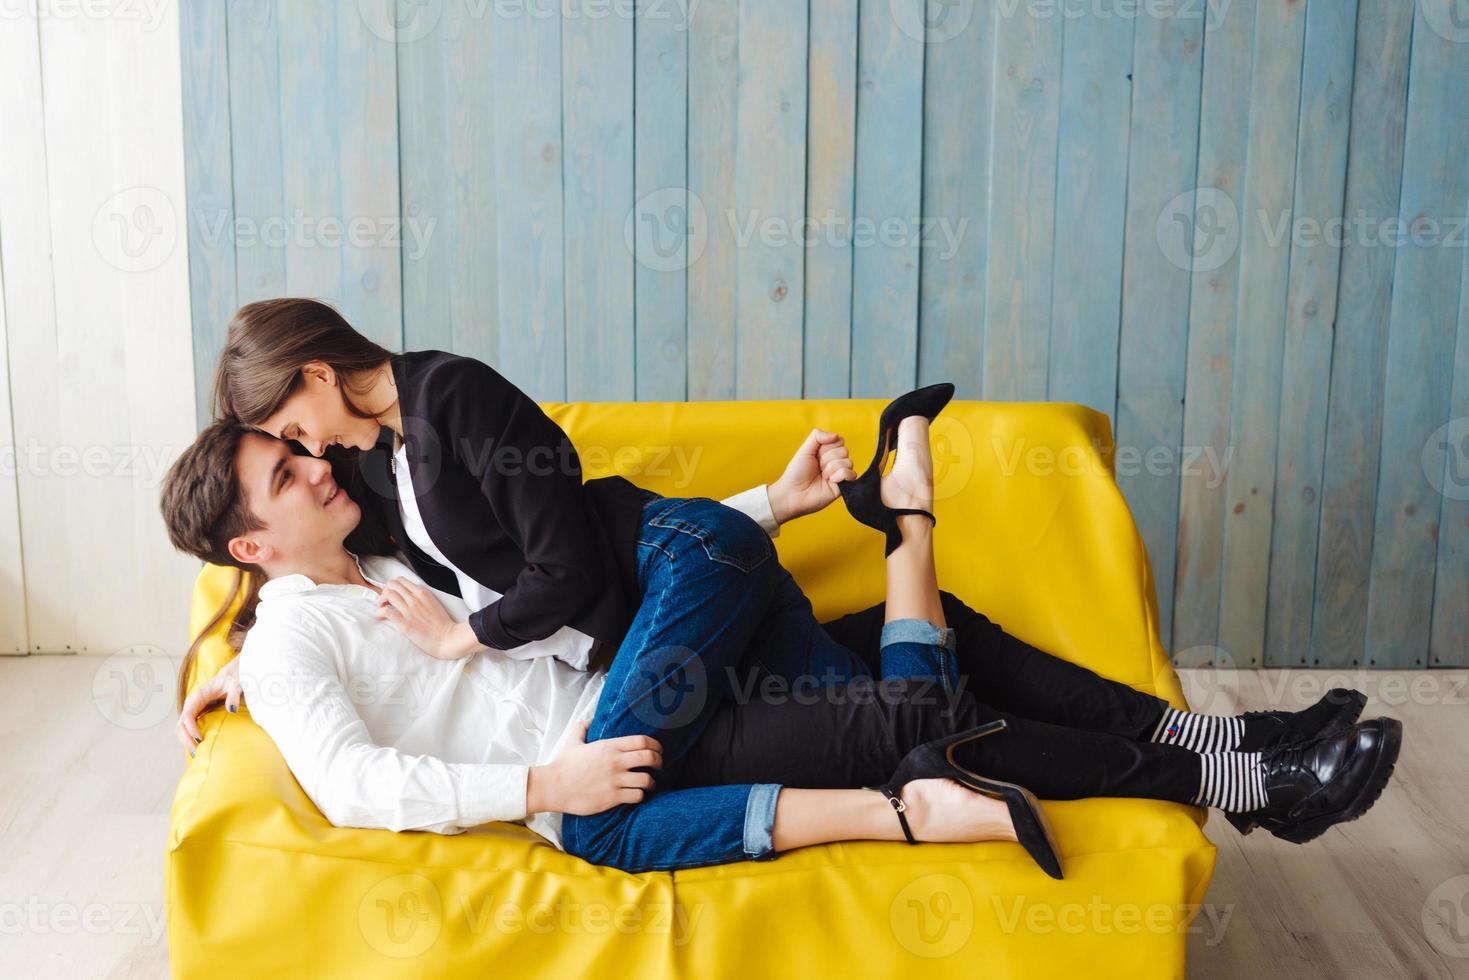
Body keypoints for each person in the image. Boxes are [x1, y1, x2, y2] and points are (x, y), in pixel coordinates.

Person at [162, 405, 1401, 876]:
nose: (315, 463)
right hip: (625, 748)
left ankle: (1233, 741)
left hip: (655, 653)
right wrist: (541, 782)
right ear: (249, 547)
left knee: (931, 634)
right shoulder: (285, 648)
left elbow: (589, 571)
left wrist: (770, 504)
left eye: (299, 445)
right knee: (922, 707)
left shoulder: (388, 551)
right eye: (285, 470)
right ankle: (1250, 779)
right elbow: (358, 781)